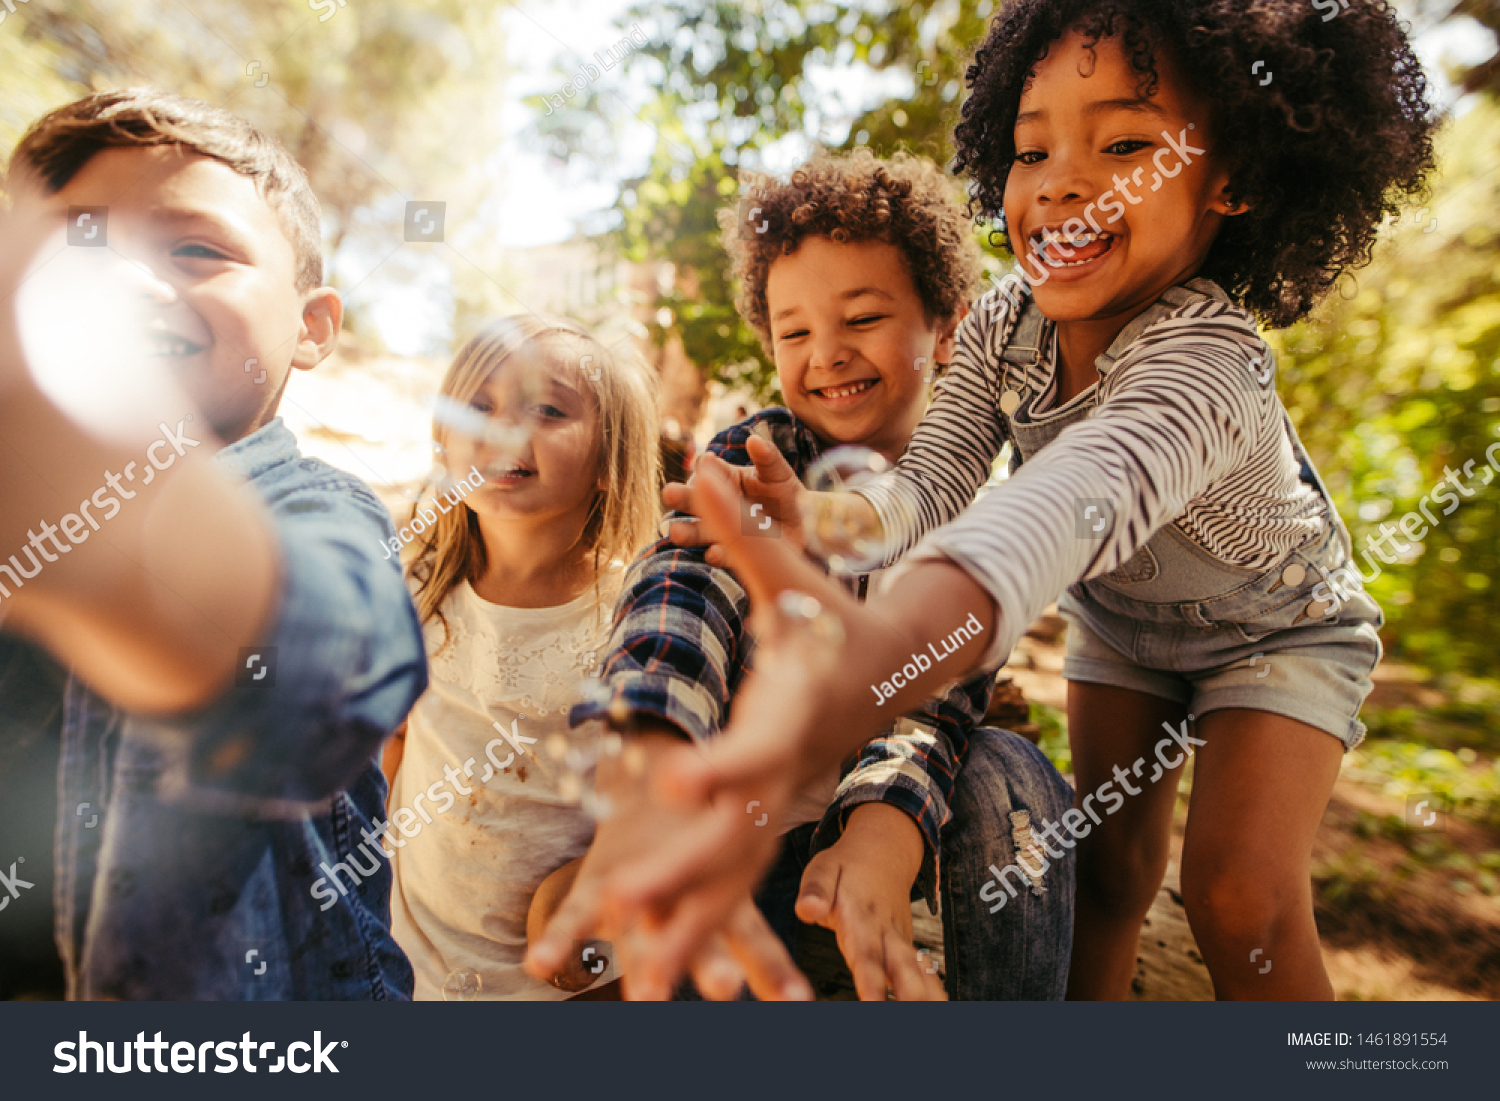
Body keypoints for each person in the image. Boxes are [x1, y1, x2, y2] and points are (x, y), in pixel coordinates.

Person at [529, 0, 1438, 1001]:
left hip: (1277, 627)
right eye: (1032, 149)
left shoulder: (1207, 363)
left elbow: (1068, 502)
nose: (1063, 187)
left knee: (1235, 892)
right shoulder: (1007, 327)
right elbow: (932, 485)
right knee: (1109, 872)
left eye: (1127, 143)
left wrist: (885, 646)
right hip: (1127, 629)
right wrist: (825, 523)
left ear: (1230, 180)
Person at [529, 151, 1075, 1001]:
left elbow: (937, 700)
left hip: (896, 816)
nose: (826, 354)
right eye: (793, 332)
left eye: (861, 318)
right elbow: (680, 599)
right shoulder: (759, 456)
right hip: (750, 822)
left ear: (948, 327)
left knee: (1018, 776)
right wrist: (650, 763)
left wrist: (880, 836)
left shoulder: (975, 506)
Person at [0, 89, 427, 998]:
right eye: (75, 244)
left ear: (311, 327)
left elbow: (343, 673)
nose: (124, 282)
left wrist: (115, 533)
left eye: (194, 249)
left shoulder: (319, 507)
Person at [379, 317, 660, 1000]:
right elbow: (395, 746)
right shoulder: (416, 587)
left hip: (575, 972)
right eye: (480, 405)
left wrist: (598, 872)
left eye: (548, 408)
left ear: (608, 459)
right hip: (416, 959)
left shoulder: (639, 609)